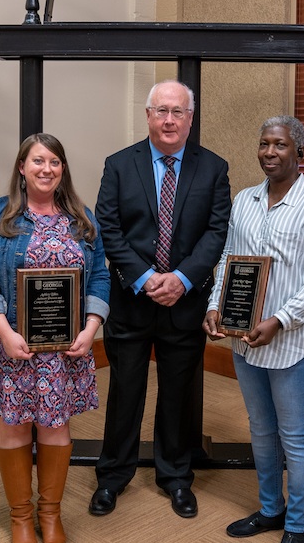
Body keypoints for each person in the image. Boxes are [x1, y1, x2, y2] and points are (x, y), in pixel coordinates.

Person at [204, 116, 304, 543]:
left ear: (298, 151)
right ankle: (270, 509)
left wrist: (280, 320)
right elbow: (228, 260)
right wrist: (214, 306)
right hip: (246, 342)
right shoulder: (244, 201)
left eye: (279, 144)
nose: (269, 152)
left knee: (296, 438)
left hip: (297, 344)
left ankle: (298, 528)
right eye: (263, 143)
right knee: (261, 432)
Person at [90, 79, 231, 519]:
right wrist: (148, 277)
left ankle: (175, 478)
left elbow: (216, 231)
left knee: (177, 395)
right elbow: (107, 227)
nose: (169, 120)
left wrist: (183, 279)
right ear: (148, 115)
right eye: (161, 111)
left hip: (184, 303)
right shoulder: (118, 164)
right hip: (133, 300)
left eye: (178, 112)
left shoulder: (213, 168)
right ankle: (113, 476)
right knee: (125, 391)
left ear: (190, 119)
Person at [0, 133, 110, 543]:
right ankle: (20, 516)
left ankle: (50, 514)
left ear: (63, 169)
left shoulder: (81, 217)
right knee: (12, 429)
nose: (46, 169)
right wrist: (4, 332)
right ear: (22, 168)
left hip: (64, 352)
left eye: (54, 162)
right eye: (37, 161)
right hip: (10, 345)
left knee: (55, 427)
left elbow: (99, 275)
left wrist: (91, 326)